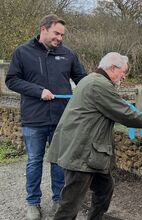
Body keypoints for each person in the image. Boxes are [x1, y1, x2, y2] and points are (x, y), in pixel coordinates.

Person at [47, 52, 142, 219]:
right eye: (123, 72)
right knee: (70, 203)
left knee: (105, 188)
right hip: (82, 151)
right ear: (113, 69)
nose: (124, 77)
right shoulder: (99, 85)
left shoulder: (90, 80)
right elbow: (124, 113)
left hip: (91, 152)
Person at [5, 14, 86, 220]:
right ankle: (33, 203)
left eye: (62, 34)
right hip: (34, 119)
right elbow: (12, 80)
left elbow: (82, 79)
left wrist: (99, 83)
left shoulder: (67, 54)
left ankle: (59, 199)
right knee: (34, 161)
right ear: (43, 29)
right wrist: (38, 91)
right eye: (56, 33)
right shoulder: (22, 52)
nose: (60, 38)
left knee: (59, 162)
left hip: (61, 118)